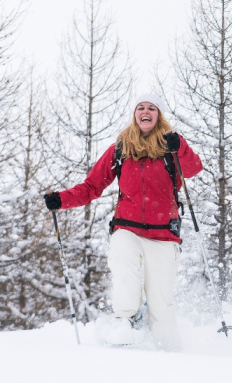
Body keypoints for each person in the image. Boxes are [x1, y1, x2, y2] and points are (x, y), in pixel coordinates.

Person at [43, 94, 202, 351]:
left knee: (161, 305)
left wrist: (180, 146)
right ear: (135, 114)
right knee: (123, 262)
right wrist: (61, 200)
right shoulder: (121, 148)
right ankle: (126, 322)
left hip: (164, 235)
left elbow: (193, 168)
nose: (146, 111)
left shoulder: (171, 147)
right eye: (141, 107)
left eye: (152, 108)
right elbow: (92, 186)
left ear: (159, 115)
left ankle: (170, 353)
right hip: (127, 229)